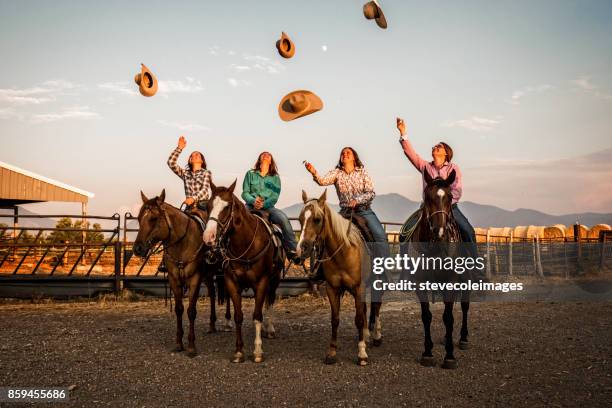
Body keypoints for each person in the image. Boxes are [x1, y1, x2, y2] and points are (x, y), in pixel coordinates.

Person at [396, 117, 477, 249]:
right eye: (434, 146)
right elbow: (411, 154)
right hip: (427, 208)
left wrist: (444, 203)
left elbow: (456, 190)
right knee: (405, 234)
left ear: (446, 153)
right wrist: (403, 132)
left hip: (448, 208)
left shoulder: (453, 168)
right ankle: (406, 267)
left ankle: (474, 267)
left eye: (439, 147)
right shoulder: (425, 166)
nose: (435, 147)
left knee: (468, 231)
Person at [304, 147, 390, 253]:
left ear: (354, 157)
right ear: (340, 159)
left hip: (364, 210)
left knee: (380, 236)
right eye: (342, 153)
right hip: (345, 211)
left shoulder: (362, 172)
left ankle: (383, 268)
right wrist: (313, 172)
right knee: (323, 234)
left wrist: (357, 200)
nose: (345, 154)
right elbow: (322, 181)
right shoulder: (336, 173)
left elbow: (371, 193)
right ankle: (318, 267)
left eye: (348, 152)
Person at [241, 151, 301, 264]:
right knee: (236, 219)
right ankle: (224, 251)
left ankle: (292, 251)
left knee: (283, 219)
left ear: (271, 161)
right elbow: (245, 193)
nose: (266, 155)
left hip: (268, 207)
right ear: (259, 159)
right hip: (250, 205)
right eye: (263, 154)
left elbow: (274, 196)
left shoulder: (275, 178)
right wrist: (253, 201)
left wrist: (263, 204)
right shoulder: (250, 173)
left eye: (268, 155)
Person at [167, 135, 212, 223]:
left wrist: (193, 198)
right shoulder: (185, 173)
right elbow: (171, 163)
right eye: (192, 155)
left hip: (203, 206)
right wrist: (179, 148)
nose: (194, 155)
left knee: (210, 227)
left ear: (202, 160)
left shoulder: (206, 173)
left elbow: (205, 189)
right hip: (189, 207)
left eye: (197, 154)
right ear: (190, 160)